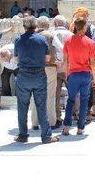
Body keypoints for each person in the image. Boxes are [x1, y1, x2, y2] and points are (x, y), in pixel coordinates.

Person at [13, 16, 59, 144]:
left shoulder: (18, 40)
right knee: (41, 106)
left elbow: (16, 59)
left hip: (23, 75)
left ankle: (23, 135)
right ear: (35, 26)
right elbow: (48, 58)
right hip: (39, 75)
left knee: (22, 107)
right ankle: (46, 136)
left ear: (24, 27)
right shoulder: (42, 39)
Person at [62, 18, 95, 136]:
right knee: (84, 101)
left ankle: (66, 127)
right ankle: (80, 128)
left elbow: (65, 60)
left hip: (73, 74)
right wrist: (94, 78)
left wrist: (67, 74)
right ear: (84, 27)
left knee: (71, 100)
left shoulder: (68, 41)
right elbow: (93, 62)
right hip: (86, 74)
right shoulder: (90, 42)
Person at [31, 16, 60, 129]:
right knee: (50, 95)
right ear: (48, 25)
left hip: (34, 68)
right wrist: (59, 61)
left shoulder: (32, 36)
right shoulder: (51, 35)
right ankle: (51, 122)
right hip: (49, 67)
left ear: (37, 25)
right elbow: (61, 48)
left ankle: (35, 122)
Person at [51, 15, 73, 125]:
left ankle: (57, 116)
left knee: (55, 93)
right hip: (69, 68)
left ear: (55, 24)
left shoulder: (51, 35)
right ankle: (75, 114)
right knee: (73, 92)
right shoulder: (71, 35)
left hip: (56, 67)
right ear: (64, 24)